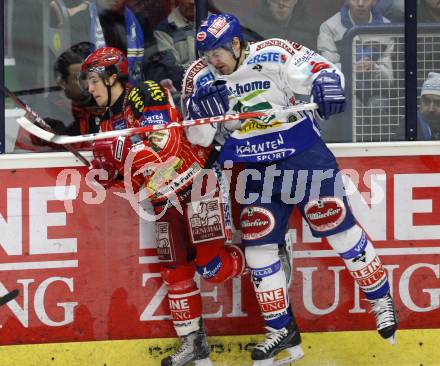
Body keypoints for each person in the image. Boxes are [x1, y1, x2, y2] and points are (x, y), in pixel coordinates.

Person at [182, 13, 398, 365]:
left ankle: (380, 298)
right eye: (206, 55)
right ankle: (280, 329)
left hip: (300, 155)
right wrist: (201, 117)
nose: (213, 61)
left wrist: (328, 82)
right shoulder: (203, 78)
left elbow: (324, 71)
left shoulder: (273, 53)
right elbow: (200, 140)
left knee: (337, 227)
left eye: (217, 53)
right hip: (253, 167)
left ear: (236, 44)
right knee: (258, 247)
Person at [81, 46, 246, 366]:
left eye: (93, 80)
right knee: (175, 272)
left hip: (198, 183)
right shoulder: (102, 126)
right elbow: (125, 181)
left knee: (212, 267)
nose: (90, 88)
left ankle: (267, 257)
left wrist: (123, 153)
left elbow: (165, 144)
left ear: (112, 76)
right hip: (162, 201)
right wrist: (104, 176)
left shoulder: (145, 92)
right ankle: (194, 347)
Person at [318, 0, 395, 107]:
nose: (360, 3)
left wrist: (374, 70)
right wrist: (351, 69)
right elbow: (326, 74)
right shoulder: (329, 27)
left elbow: (389, 80)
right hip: (343, 92)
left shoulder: (388, 28)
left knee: (379, 106)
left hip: (377, 93)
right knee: (352, 106)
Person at [240, 0, 321, 50]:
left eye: (286, 0)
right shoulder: (249, 26)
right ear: (268, 1)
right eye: (275, 0)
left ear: (296, 1)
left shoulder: (312, 29)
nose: (281, 4)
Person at [394, 72, 440, 140]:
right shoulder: (409, 125)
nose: (431, 109)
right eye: (427, 101)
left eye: (438, 102)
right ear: (421, 101)